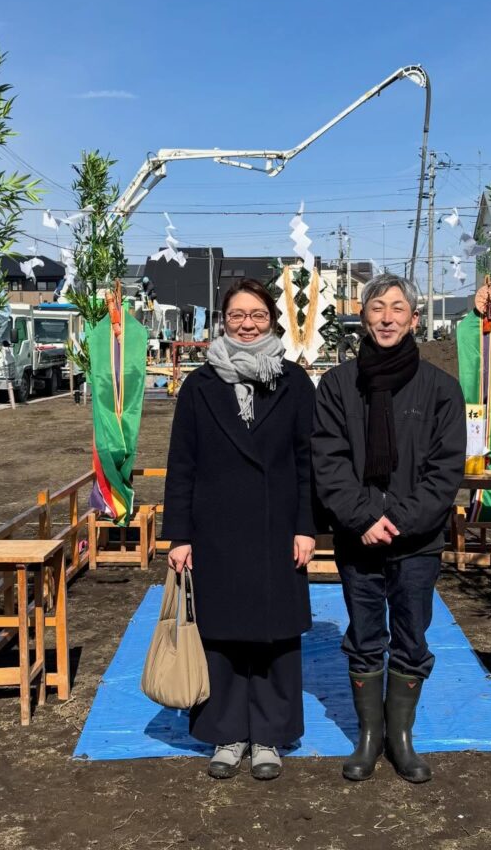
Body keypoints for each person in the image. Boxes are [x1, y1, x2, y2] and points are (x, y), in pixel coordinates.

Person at [312, 274, 465, 784]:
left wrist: (397, 520)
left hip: (417, 542)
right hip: (359, 539)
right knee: (364, 634)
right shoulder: (337, 385)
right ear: (363, 316)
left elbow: (445, 470)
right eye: (377, 308)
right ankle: (369, 736)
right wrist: (362, 518)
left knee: (411, 634)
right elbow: (328, 461)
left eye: (398, 308)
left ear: (413, 319)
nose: (386, 317)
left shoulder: (441, 389)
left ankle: (401, 740)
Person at [162, 278, 316, 781]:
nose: (246, 325)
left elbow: (306, 461)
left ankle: (270, 734)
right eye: (236, 315)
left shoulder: (293, 382)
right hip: (216, 530)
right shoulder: (199, 385)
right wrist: (179, 535)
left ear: (271, 320)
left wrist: (306, 527)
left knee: (274, 636)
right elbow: (181, 464)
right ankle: (226, 733)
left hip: (277, 528)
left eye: (256, 315)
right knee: (221, 634)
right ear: (222, 320)